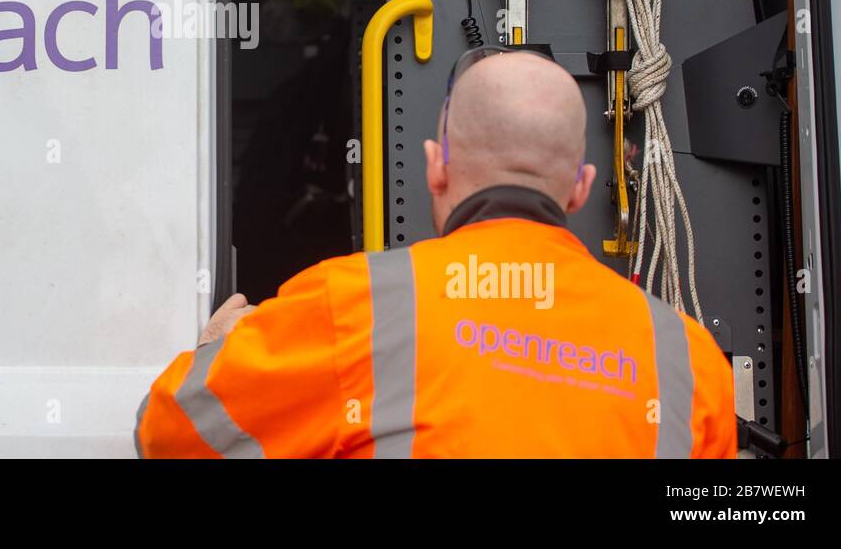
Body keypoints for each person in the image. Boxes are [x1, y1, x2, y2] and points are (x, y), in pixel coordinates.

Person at [134, 47, 736, 458]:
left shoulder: (352, 308)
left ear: (436, 167)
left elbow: (169, 435)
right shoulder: (689, 361)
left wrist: (218, 350)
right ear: (579, 188)